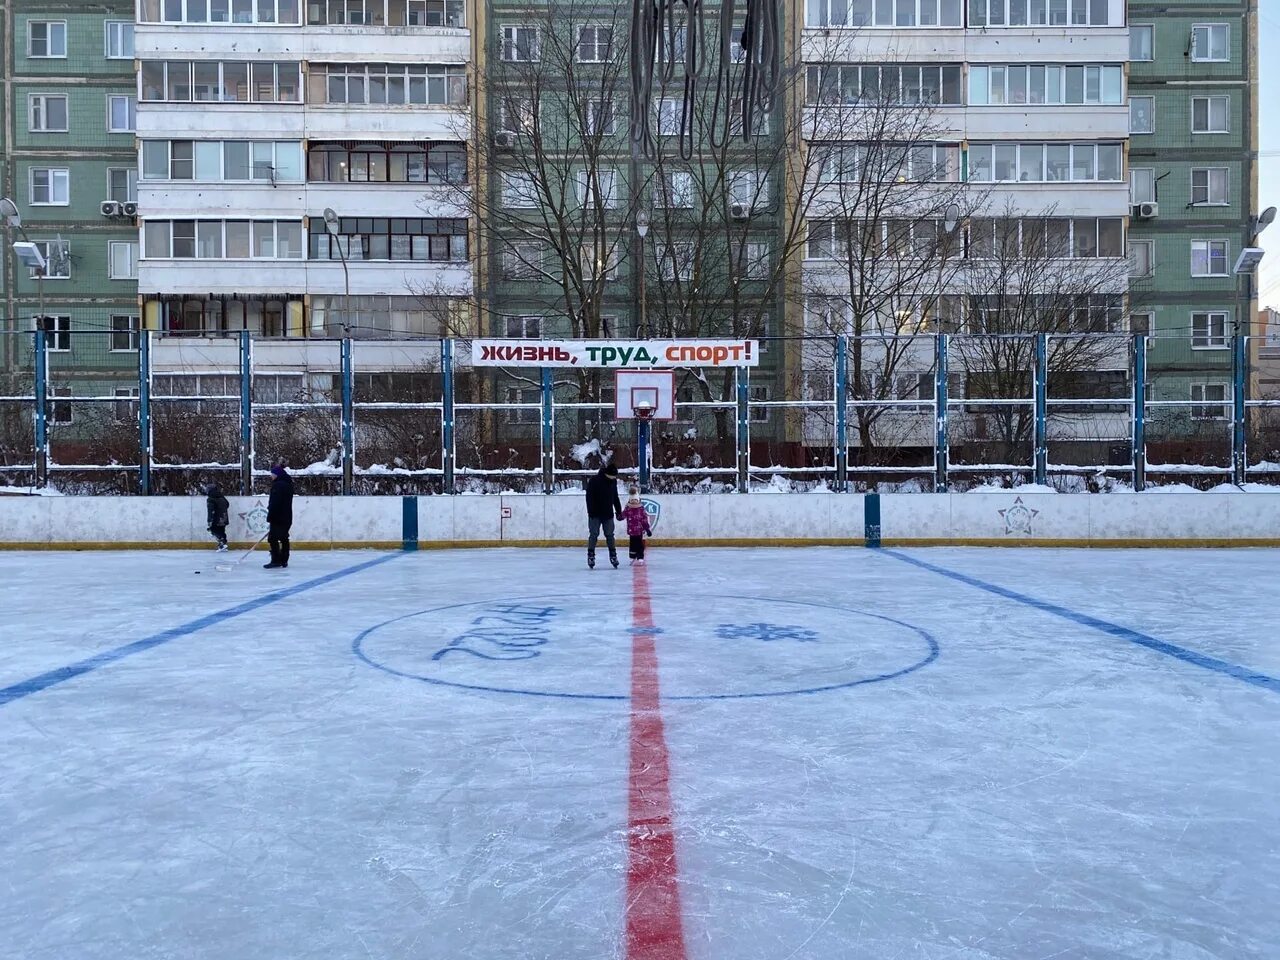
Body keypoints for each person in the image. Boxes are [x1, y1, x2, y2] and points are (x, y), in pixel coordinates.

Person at [584, 462, 622, 569]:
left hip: (608, 514)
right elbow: (589, 498)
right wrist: (590, 512)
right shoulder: (594, 481)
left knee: (610, 535)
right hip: (595, 514)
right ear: (607, 474)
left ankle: (613, 555)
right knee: (594, 534)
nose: (614, 478)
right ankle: (591, 555)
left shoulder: (613, 482)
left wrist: (619, 511)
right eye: (613, 475)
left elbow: (615, 497)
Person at [265, 463, 294, 569]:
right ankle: (284, 560)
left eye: (272, 474)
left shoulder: (278, 485)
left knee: (273, 538)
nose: (271, 476)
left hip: (278, 517)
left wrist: (271, 516)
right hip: (286, 517)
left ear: (277, 474)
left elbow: (275, 503)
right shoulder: (288, 484)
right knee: (284, 538)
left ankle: (276, 560)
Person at [620, 486, 653, 565]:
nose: (634, 501)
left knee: (639, 544)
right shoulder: (628, 508)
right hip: (631, 531)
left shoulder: (641, 509)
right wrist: (618, 516)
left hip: (639, 531)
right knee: (632, 544)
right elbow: (623, 515)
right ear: (630, 500)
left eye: (635, 500)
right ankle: (632, 556)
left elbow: (644, 520)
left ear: (638, 500)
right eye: (632, 500)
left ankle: (640, 557)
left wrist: (647, 529)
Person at [205, 481, 230, 552]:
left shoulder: (210, 498)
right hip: (224, 517)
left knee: (214, 530)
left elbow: (210, 510)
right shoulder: (221, 496)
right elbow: (227, 504)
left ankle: (222, 544)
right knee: (222, 531)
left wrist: (209, 520)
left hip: (216, 518)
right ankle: (224, 544)